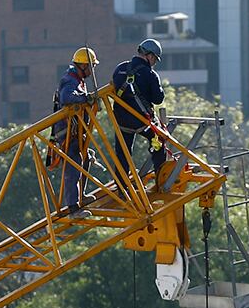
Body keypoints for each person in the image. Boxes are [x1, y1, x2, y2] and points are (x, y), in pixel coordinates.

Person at [111, 38, 166, 185]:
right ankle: (162, 177)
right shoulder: (150, 74)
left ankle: (122, 186)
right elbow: (158, 99)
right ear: (150, 55)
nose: (154, 62)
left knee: (123, 152)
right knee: (158, 141)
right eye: (155, 59)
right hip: (141, 121)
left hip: (121, 120)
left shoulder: (120, 69)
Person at [54, 47, 98, 213]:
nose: (92, 70)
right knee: (73, 165)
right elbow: (67, 98)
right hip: (67, 132)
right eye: (91, 67)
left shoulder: (77, 79)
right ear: (83, 65)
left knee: (86, 157)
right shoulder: (70, 80)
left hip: (75, 131)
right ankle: (73, 208)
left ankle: (81, 196)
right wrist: (86, 98)